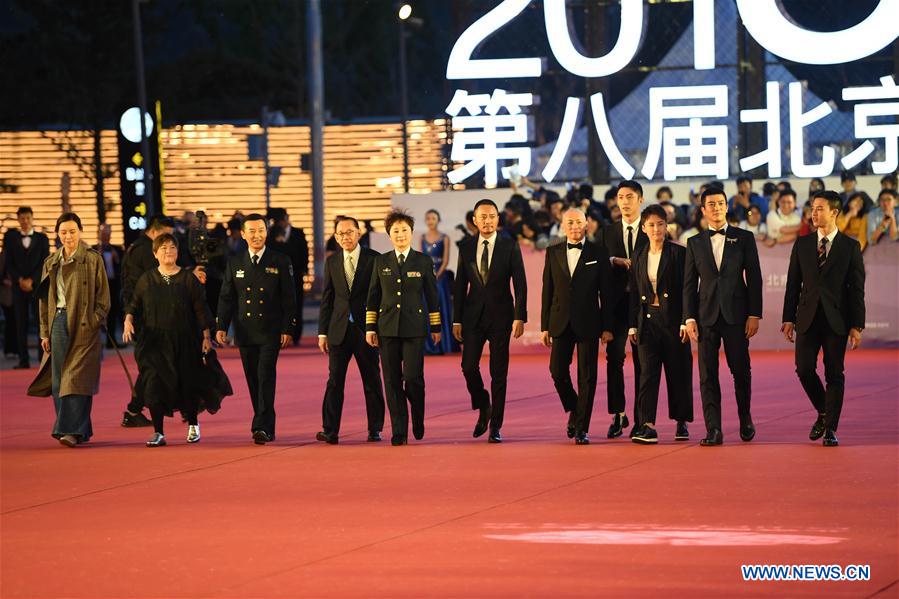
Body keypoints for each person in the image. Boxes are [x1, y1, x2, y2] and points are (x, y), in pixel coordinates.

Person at [123, 233, 225, 447]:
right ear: (155, 253)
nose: (168, 252)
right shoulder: (147, 279)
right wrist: (128, 320)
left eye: (172, 248)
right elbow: (134, 304)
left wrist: (206, 336)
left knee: (188, 383)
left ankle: (193, 425)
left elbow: (200, 308)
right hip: (154, 342)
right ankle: (158, 432)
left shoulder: (188, 279)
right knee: (154, 384)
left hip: (185, 340)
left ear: (178, 252)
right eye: (163, 248)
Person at [781, 191, 865, 447]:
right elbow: (793, 285)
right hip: (807, 317)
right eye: (812, 208)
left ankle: (830, 428)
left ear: (834, 212)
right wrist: (788, 318)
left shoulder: (850, 247)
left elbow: (856, 289)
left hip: (837, 319)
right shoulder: (802, 244)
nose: (814, 213)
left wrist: (856, 325)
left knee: (834, 373)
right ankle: (824, 410)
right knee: (804, 369)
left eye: (819, 208)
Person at [684, 187, 763, 446]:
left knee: (740, 370)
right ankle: (713, 429)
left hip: (736, 315)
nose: (716, 208)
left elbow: (754, 278)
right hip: (705, 317)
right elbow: (688, 285)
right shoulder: (694, 242)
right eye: (711, 204)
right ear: (703, 210)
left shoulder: (744, 238)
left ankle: (745, 418)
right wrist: (689, 318)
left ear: (727, 207)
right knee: (707, 375)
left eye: (720, 203)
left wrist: (754, 313)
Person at [27, 213, 110, 447]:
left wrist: (94, 319)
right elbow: (44, 300)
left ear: (80, 231)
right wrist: (44, 331)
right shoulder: (51, 261)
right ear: (57, 234)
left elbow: (104, 297)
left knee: (78, 378)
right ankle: (77, 429)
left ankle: (69, 431)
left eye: (72, 231)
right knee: (59, 379)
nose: (68, 236)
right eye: (63, 232)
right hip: (58, 322)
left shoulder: (92, 259)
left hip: (84, 324)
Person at [216, 214, 296, 444]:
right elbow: (227, 297)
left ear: (266, 232)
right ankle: (264, 423)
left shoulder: (280, 260)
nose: (257, 235)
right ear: (243, 234)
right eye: (251, 231)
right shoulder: (235, 262)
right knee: (252, 378)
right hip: (245, 330)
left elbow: (289, 298)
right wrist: (221, 326)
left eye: (261, 230)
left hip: (271, 330)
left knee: (265, 375)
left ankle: (261, 426)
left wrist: (288, 328)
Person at [452, 199, 527, 443]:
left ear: (498, 219)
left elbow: (520, 283)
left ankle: (495, 425)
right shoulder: (465, 246)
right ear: (475, 220)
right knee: (468, 367)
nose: (487, 221)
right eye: (483, 217)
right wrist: (456, 320)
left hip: (501, 316)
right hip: (473, 317)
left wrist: (519, 316)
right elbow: (460, 285)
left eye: (492, 216)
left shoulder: (509, 245)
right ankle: (483, 403)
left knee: (499, 372)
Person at [365, 210, 441, 446]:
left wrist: (436, 326)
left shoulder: (423, 261)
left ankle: (417, 416)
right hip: (386, 328)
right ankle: (399, 430)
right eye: (395, 231)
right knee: (391, 381)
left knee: (413, 378)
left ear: (411, 232)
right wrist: (370, 327)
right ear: (389, 235)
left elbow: (432, 295)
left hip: (414, 328)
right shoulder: (380, 261)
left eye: (404, 230)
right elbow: (373, 296)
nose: (400, 235)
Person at [541, 208, 613, 445]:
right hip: (559, 321)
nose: (574, 227)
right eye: (569, 222)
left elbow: (606, 293)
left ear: (586, 225)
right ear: (563, 225)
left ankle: (582, 428)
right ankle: (574, 406)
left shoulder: (598, 253)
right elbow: (547, 290)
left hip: (589, 322)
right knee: (557, 371)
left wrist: (607, 327)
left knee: (588, 377)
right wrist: (544, 326)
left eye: (578, 222)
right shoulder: (552, 252)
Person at [316, 216, 386, 444]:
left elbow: (380, 295)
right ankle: (330, 430)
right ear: (336, 238)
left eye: (349, 232)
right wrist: (322, 333)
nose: (345, 237)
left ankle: (375, 428)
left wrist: (376, 327)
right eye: (341, 234)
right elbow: (327, 299)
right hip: (339, 330)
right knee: (334, 381)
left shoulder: (374, 259)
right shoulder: (332, 262)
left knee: (371, 380)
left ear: (358, 234)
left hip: (366, 330)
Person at [627, 206, 693, 444]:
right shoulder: (638, 255)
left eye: (660, 224)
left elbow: (688, 290)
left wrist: (686, 320)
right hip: (647, 322)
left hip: (675, 323)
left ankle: (681, 421)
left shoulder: (679, 253)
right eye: (651, 225)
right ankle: (646, 424)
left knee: (678, 372)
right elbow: (634, 292)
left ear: (666, 226)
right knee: (647, 373)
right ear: (644, 228)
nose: (656, 229)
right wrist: (632, 325)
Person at [596, 180, 647, 439]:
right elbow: (597, 263)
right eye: (620, 197)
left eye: (630, 197)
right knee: (614, 358)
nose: (624, 202)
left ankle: (641, 418)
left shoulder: (651, 228)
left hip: (643, 306)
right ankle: (618, 414)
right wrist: (612, 260)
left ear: (640, 200)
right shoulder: (607, 232)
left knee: (642, 362)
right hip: (615, 306)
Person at [120, 214, 180, 427]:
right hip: (146, 317)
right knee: (152, 366)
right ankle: (134, 409)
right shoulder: (145, 250)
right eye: (166, 237)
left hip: (146, 315)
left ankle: (137, 409)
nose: (169, 245)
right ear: (154, 232)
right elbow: (149, 284)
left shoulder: (137, 247)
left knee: (155, 364)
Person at [3, 206, 50, 369]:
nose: (25, 221)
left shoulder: (42, 238)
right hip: (18, 287)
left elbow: (45, 262)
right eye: (22, 218)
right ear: (18, 219)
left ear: (32, 218)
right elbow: (8, 263)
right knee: (20, 323)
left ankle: (42, 358)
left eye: (28, 218)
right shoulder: (10, 238)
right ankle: (24, 360)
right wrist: (20, 280)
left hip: (37, 287)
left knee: (41, 323)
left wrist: (32, 280)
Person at [266, 208, 308, 345]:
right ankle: (279, 335)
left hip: (295, 275)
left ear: (286, 219)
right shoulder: (271, 234)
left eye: (280, 221)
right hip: (276, 277)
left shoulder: (298, 233)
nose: (279, 224)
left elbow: (304, 253)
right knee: (277, 306)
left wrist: (303, 270)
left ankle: (295, 335)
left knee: (296, 305)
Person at [420, 209, 459, 355]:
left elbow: (446, 260)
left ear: (438, 220)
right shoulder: (422, 238)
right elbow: (421, 259)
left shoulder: (445, 238)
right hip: (426, 278)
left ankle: (445, 344)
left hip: (440, 279)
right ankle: (429, 345)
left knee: (441, 308)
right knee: (427, 309)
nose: (431, 221)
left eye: (433, 218)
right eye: (428, 218)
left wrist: (436, 275)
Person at [94, 222, 124, 348]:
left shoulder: (117, 249)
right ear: (99, 234)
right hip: (98, 287)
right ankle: (96, 343)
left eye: (108, 233)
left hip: (113, 285)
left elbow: (123, 267)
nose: (106, 235)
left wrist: (117, 259)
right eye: (103, 233)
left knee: (113, 313)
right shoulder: (93, 250)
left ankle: (111, 341)